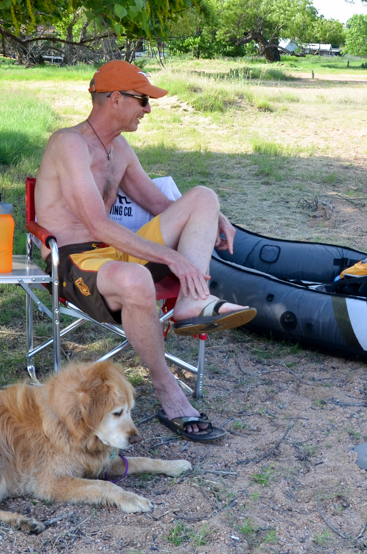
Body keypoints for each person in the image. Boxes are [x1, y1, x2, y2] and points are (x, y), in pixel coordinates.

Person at [34, 61, 256, 442]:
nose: (149, 109)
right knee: (136, 278)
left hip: (114, 252)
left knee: (203, 196)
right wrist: (171, 257)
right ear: (115, 99)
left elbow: (158, 204)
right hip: (74, 261)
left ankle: (191, 301)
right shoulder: (68, 143)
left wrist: (216, 215)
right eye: (143, 100)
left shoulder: (118, 148)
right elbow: (97, 225)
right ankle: (169, 391)